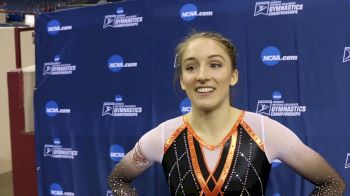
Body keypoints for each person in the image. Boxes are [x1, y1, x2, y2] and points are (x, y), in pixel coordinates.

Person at [108, 31, 346, 195]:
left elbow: (332, 184)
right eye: (191, 67)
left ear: (233, 75)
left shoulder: (264, 130)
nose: (202, 75)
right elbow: (118, 179)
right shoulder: (162, 136)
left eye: (215, 64)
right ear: (182, 80)